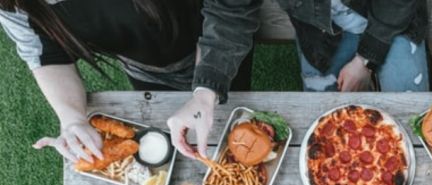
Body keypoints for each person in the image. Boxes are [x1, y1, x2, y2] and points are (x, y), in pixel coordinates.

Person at [0, 0, 261, 162]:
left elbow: (229, 9)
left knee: (231, 129)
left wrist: (207, 88)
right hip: (144, 68)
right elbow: (46, 54)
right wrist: (72, 119)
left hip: (215, 42)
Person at [276, 0, 429, 92]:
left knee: (408, 105)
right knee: (320, 116)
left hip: (393, 22)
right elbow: (249, 11)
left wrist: (365, 60)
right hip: (320, 31)